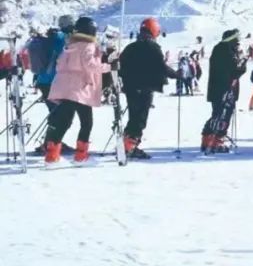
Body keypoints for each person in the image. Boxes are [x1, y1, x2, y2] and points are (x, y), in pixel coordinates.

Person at [43, 17, 107, 164]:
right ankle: (81, 156)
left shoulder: (69, 46)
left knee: (63, 122)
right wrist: (108, 67)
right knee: (86, 122)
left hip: (65, 91)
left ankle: (51, 156)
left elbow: (59, 66)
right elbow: (90, 66)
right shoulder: (88, 46)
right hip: (81, 91)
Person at [117, 17, 178, 159]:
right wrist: (176, 75)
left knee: (133, 116)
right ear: (154, 31)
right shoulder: (153, 47)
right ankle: (130, 146)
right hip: (145, 87)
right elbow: (161, 66)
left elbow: (121, 67)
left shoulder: (130, 47)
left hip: (130, 87)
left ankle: (126, 143)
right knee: (140, 118)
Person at [201, 29, 247, 154]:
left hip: (218, 89)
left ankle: (207, 139)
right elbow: (235, 70)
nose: (238, 43)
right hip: (225, 89)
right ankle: (216, 140)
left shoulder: (219, 49)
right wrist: (243, 62)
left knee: (216, 114)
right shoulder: (226, 51)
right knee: (223, 115)